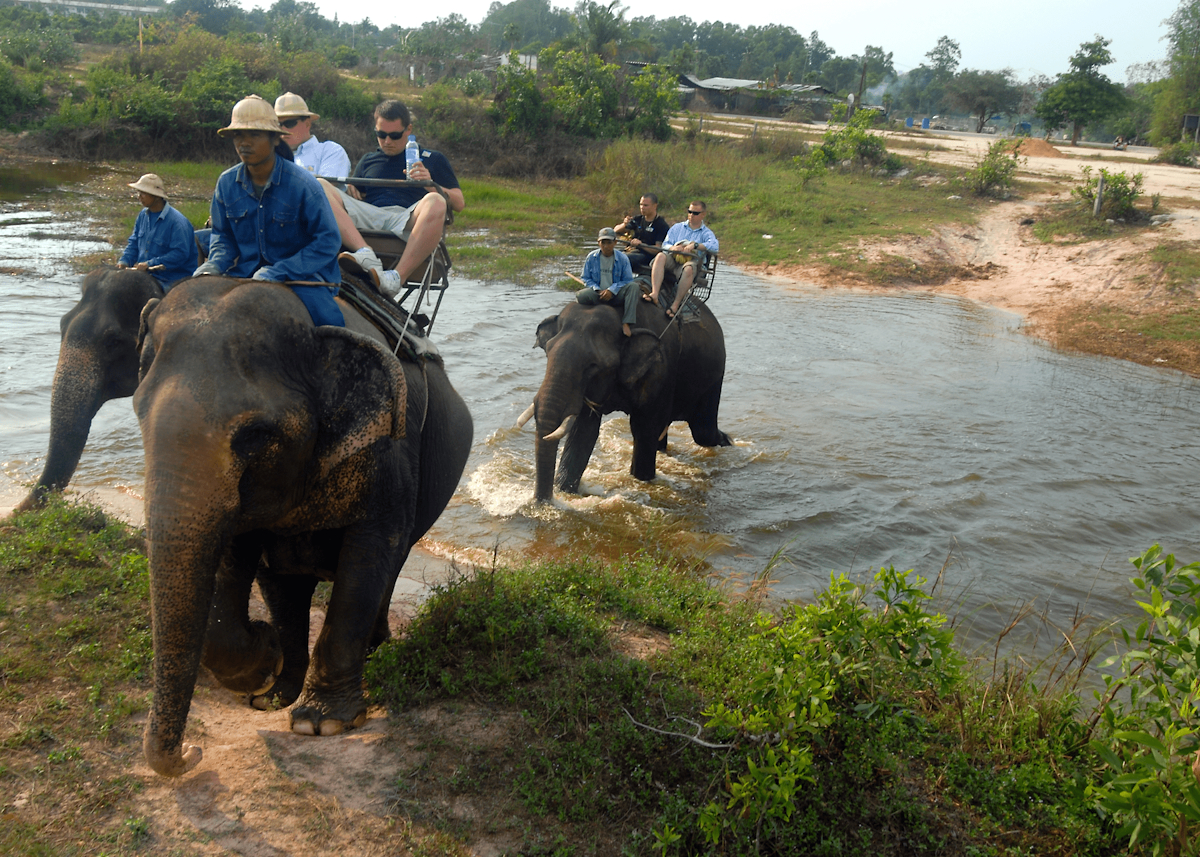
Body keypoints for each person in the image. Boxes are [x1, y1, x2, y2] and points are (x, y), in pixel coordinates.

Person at [194, 95, 344, 327]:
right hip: (245, 275)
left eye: (254, 135)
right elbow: (223, 236)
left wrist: (279, 271)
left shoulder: (303, 185)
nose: (244, 143)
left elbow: (328, 241)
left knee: (329, 326)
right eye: (238, 135)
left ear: (275, 139)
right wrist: (214, 265)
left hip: (302, 278)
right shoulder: (226, 183)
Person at [321, 100, 464, 298]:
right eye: (381, 134)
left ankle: (397, 277)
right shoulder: (368, 160)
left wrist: (430, 183)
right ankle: (365, 252)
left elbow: (459, 203)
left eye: (394, 135)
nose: (387, 141)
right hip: (370, 216)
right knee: (319, 185)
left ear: (409, 129)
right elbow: (352, 196)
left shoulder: (432, 158)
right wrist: (349, 191)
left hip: (407, 217)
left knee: (436, 201)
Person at [117, 173, 197, 290]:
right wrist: (124, 261)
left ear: (156, 196)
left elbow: (180, 254)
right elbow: (134, 243)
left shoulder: (177, 223)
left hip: (172, 280)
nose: (139, 196)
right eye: (139, 193)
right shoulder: (142, 216)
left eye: (143, 193)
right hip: (147, 276)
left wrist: (149, 264)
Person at [645, 200, 719, 318]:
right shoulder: (677, 227)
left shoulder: (706, 233)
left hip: (691, 262)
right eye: (689, 212)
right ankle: (654, 293)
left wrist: (695, 245)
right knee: (660, 256)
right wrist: (673, 247)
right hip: (673, 258)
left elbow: (715, 246)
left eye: (695, 213)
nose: (691, 215)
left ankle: (675, 305)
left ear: (703, 214)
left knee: (689, 269)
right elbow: (665, 244)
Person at [274, 92, 351, 180]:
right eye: (278, 124)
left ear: (307, 124)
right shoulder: (269, 154)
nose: (283, 129)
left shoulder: (330, 151)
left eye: (289, 123)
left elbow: (326, 189)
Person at [577, 227, 638, 337]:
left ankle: (626, 322)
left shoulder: (623, 258)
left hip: (616, 295)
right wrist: (597, 289)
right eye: (603, 243)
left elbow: (628, 280)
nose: (606, 246)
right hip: (598, 294)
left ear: (615, 242)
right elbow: (585, 278)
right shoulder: (591, 257)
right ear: (598, 243)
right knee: (581, 295)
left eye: (609, 243)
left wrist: (611, 290)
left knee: (633, 287)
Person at [614, 193, 668, 271]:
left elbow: (658, 249)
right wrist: (624, 224)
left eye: (645, 205)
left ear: (655, 206)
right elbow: (616, 231)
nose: (642, 208)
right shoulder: (638, 219)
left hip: (647, 255)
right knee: (610, 255)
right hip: (632, 250)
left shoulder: (661, 225)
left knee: (624, 259)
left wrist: (641, 245)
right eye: (641, 205)